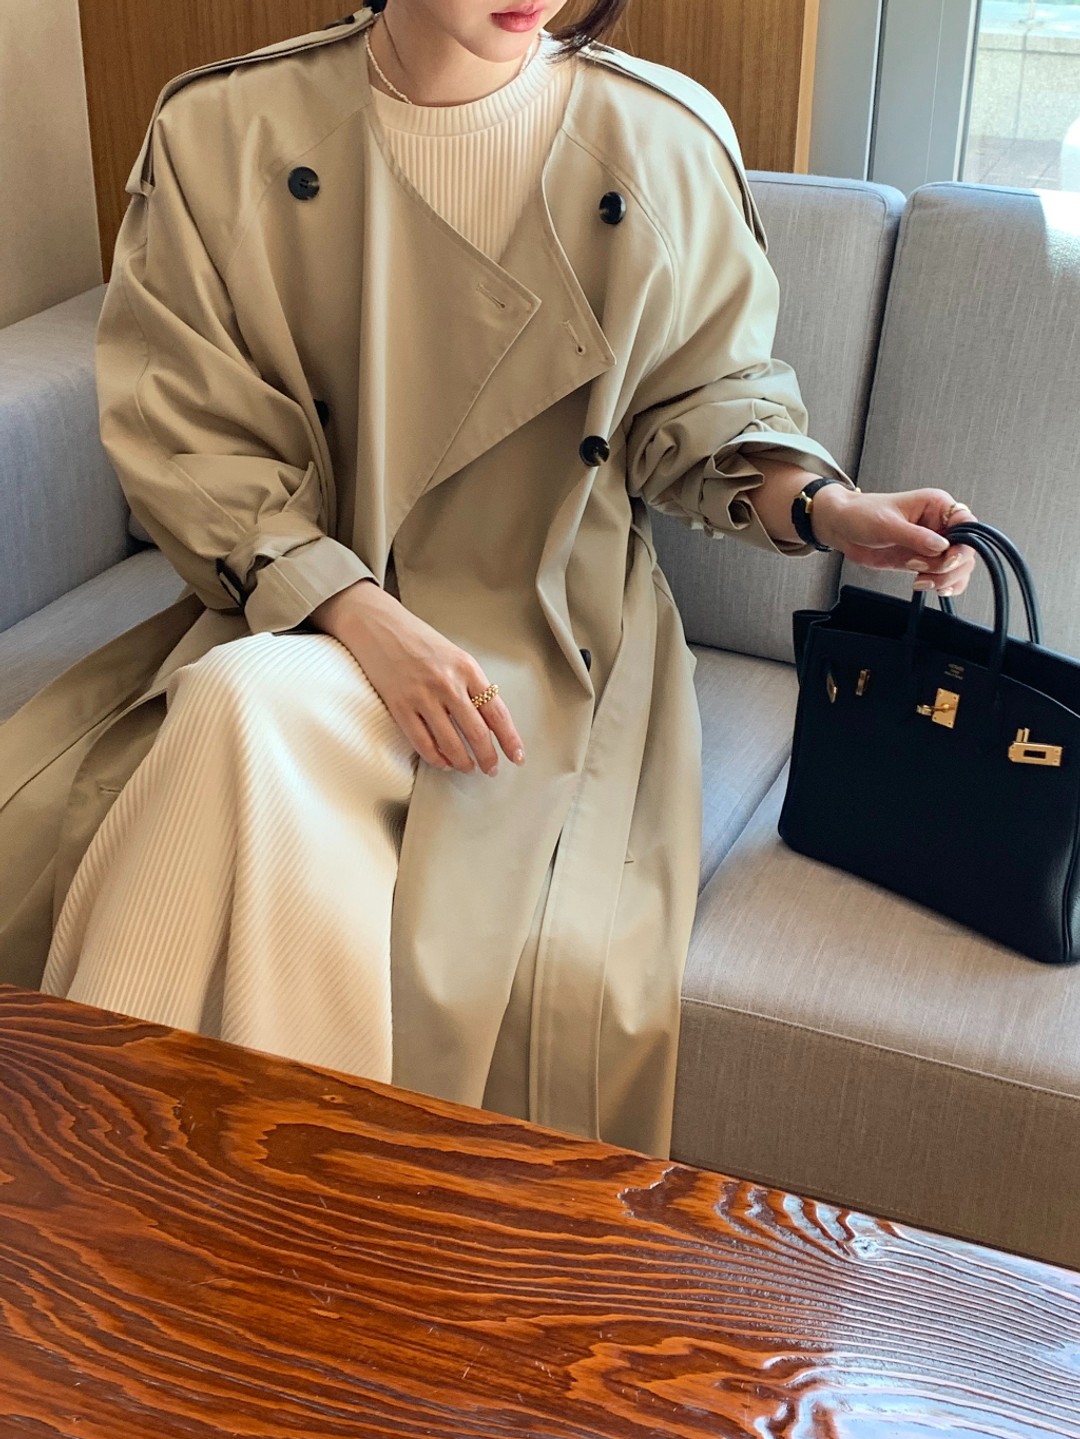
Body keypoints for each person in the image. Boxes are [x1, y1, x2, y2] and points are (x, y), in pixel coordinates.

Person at [11, 0, 975, 1157]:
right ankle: (238, 1203)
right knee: (238, 701)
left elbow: (703, 403)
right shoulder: (226, 130)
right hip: (311, 605)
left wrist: (829, 508)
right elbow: (192, 434)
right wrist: (359, 613)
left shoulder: (658, 137)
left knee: (227, 738)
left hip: (550, 633)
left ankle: (102, 1186)